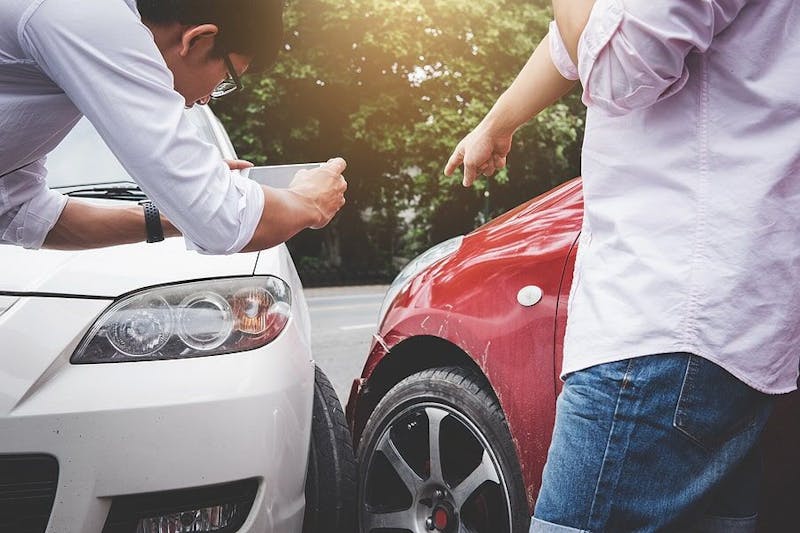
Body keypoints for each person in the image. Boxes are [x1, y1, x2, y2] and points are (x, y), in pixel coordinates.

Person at [446, 0, 799, 531]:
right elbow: (588, 35)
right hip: (719, 316)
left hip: (666, 317)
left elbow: (624, 64)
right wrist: (499, 121)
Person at [0, 0, 347, 254]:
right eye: (226, 79)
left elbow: (16, 213)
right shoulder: (87, 15)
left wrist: (173, 212)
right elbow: (226, 221)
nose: (207, 98)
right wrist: (307, 202)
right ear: (197, 40)